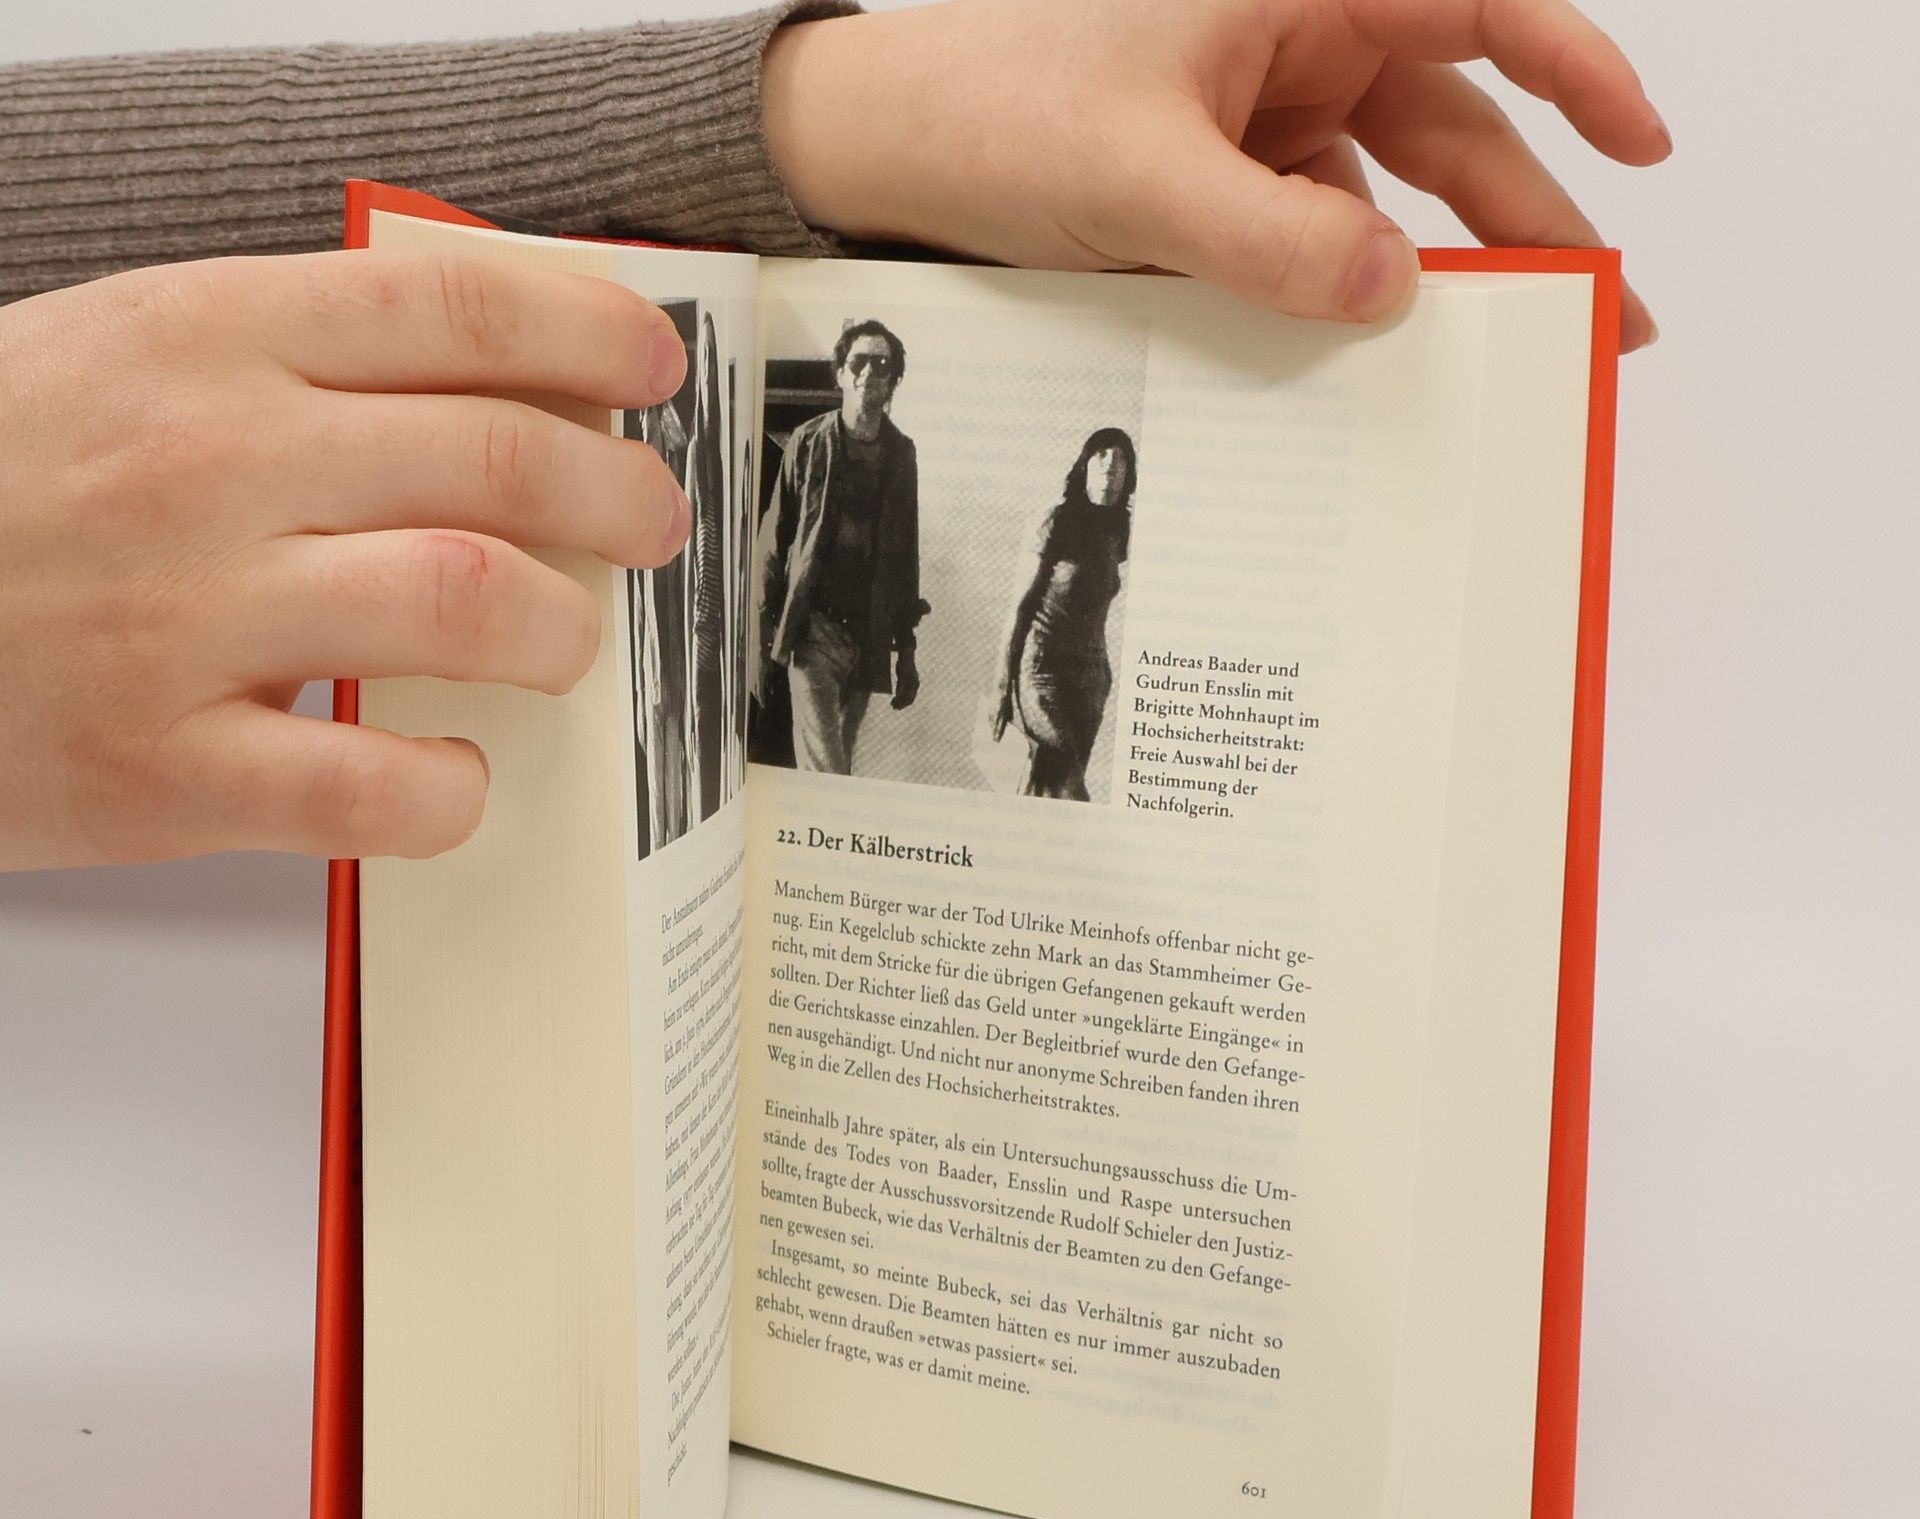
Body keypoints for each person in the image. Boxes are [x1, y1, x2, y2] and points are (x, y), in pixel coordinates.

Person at [0, 0, 1669, 871]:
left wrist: (825, 114)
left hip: (875, 635)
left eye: (876, 370)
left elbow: (928, 561)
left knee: (875, 775)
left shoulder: (919, 455)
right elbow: (793, 535)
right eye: (857, 370)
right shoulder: (825, 451)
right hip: (799, 627)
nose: (865, 387)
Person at [754, 320, 925, 776]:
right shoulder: (807, 443)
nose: (869, 372)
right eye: (859, 361)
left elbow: (905, 555)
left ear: (893, 379)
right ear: (841, 373)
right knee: (825, 769)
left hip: (868, 634)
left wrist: (906, 651)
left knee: (841, 765)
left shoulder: (902, 455)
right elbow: (775, 539)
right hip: (814, 629)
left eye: (882, 364)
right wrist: (763, 633)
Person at [993, 429, 1137, 802]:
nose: (1111, 464)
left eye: (1121, 458)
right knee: (1071, 795)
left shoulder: (1117, 536)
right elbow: (1019, 607)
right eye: (1102, 454)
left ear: (1129, 476)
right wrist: (1000, 689)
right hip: (1042, 671)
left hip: (1089, 682)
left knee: (1046, 795)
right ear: (1084, 466)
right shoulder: (1054, 522)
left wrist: (1103, 676)